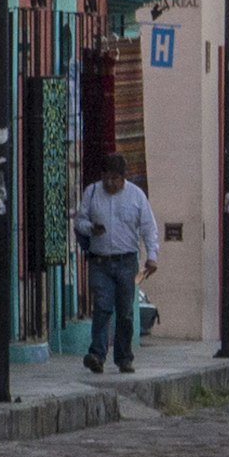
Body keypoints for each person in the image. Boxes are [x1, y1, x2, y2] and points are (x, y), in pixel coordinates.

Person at [72, 153, 159, 376]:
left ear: (123, 177)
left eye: (115, 179)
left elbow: (148, 227)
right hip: (100, 260)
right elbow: (79, 221)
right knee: (102, 307)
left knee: (125, 312)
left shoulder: (136, 196)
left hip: (126, 261)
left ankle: (124, 357)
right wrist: (91, 228)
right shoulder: (92, 193)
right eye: (106, 178)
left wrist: (152, 255)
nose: (110, 183)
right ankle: (97, 355)